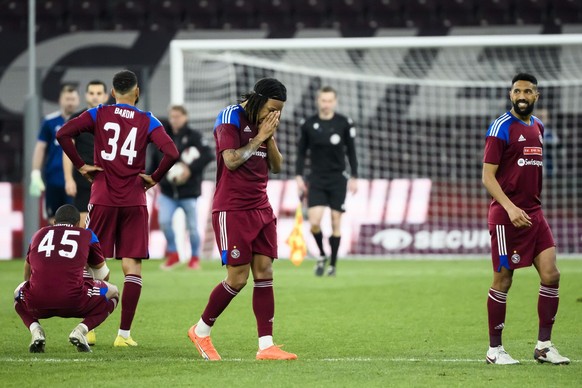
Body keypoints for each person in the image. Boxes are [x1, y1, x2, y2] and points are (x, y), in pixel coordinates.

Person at [57, 70, 179, 347]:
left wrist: (81, 165)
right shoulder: (147, 120)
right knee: (132, 265)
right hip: (134, 198)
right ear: (137, 92)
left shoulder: (98, 113)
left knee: (89, 263)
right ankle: (124, 335)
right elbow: (171, 152)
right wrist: (154, 177)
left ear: (112, 93)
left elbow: (63, 134)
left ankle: (87, 329)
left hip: (102, 195)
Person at [187, 78, 297, 361]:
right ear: (259, 99)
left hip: (260, 206)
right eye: (272, 108)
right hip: (232, 208)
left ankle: (266, 346)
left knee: (265, 272)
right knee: (237, 279)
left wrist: (269, 136)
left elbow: (276, 165)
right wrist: (260, 136)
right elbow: (231, 160)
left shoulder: (265, 124)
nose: (275, 115)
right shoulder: (230, 117)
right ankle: (201, 331)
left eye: (279, 111)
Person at [482, 73, 570, 365]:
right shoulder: (500, 127)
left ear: (536, 96)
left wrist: (525, 208)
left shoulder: (539, 127)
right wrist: (509, 208)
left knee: (551, 275)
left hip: (534, 214)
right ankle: (495, 351)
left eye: (528, 91)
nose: (522, 95)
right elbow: (487, 176)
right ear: (510, 95)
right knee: (503, 279)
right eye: (517, 90)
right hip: (507, 216)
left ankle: (544, 347)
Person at [13, 204, 118, 353]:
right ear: (77, 224)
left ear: (54, 222)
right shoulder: (87, 235)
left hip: (37, 302)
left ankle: (36, 331)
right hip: (75, 301)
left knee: (18, 293)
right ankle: (81, 331)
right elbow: (103, 275)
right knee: (114, 293)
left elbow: (27, 272)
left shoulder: (38, 234)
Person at [295, 86, 358, 277]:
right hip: (317, 178)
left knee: (335, 220)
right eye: (323, 100)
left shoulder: (344, 123)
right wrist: (298, 175)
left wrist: (354, 175)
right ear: (318, 101)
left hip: (338, 178)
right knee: (314, 222)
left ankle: (333, 264)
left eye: (330, 100)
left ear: (335, 102)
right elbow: (301, 152)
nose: (326, 104)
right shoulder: (308, 124)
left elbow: (352, 151)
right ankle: (322, 255)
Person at [151, 105, 214, 270]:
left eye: (178, 116)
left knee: (192, 227)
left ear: (185, 117)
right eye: (172, 117)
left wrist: (189, 169)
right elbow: (155, 159)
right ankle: (173, 254)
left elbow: (209, 155)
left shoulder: (194, 136)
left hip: (189, 192)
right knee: (164, 222)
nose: (174, 120)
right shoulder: (164, 136)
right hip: (167, 191)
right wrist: (151, 178)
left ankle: (194, 258)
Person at [30, 83, 80, 223]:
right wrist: (35, 172)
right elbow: (40, 148)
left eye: (72, 99)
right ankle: (56, 244)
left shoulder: (83, 121)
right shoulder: (49, 122)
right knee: (53, 218)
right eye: (67, 99)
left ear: (78, 100)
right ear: (60, 100)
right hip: (53, 177)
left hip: (76, 180)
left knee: (76, 218)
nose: (70, 102)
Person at [63, 80, 109, 229]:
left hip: (109, 179)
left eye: (99, 93)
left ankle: (103, 253)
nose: (95, 97)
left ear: (106, 96)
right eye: (91, 93)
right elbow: (68, 151)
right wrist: (69, 179)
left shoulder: (115, 119)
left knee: (107, 224)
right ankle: (85, 252)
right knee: (82, 224)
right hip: (84, 179)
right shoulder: (76, 120)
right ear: (86, 95)